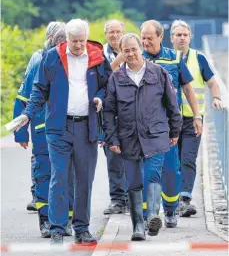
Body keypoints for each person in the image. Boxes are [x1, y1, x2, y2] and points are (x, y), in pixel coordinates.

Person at [14, 19, 112, 244]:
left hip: (87, 127)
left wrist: (100, 98)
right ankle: (57, 228)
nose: (78, 46)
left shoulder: (97, 56)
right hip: (59, 127)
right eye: (74, 41)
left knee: (84, 180)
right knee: (59, 178)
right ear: (66, 39)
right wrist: (28, 114)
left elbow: (108, 85)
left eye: (82, 41)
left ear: (86, 38)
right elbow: (39, 89)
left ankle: (82, 228)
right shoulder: (52, 57)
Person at [103, 33, 182, 241]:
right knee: (133, 182)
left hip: (156, 134)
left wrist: (175, 131)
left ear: (141, 48)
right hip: (127, 136)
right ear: (121, 53)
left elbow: (172, 104)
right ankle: (138, 225)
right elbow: (109, 111)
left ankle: (153, 216)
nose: (130, 53)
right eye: (126, 50)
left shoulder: (158, 73)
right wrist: (112, 138)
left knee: (152, 175)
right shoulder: (116, 78)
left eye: (133, 49)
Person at [140, 20, 203, 232]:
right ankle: (149, 213)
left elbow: (188, 88)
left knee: (170, 170)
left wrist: (196, 115)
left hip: (168, 126)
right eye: (143, 38)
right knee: (148, 171)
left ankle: (170, 209)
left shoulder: (174, 58)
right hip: (144, 126)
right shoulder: (137, 58)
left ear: (160, 37)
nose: (146, 42)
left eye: (150, 38)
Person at [13, 22, 74, 238]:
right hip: (42, 130)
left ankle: (65, 220)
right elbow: (22, 99)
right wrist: (21, 132)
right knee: (44, 175)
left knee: (68, 175)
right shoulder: (39, 62)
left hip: (70, 129)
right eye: (61, 42)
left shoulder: (76, 63)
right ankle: (46, 220)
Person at [170, 19, 223, 217]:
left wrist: (216, 98)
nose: (182, 38)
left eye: (185, 35)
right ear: (171, 38)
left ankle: (185, 200)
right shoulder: (166, 58)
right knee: (172, 161)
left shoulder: (198, 59)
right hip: (170, 121)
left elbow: (212, 82)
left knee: (188, 159)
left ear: (190, 37)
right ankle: (171, 200)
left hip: (193, 119)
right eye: (178, 35)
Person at [103, 19, 127, 214]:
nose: (115, 36)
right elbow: (103, 78)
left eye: (118, 32)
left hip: (130, 113)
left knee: (133, 157)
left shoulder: (132, 51)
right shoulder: (99, 55)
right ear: (106, 34)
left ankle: (133, 198)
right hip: (108, 113)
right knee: (112, 158)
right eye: (111, 32)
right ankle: (117, 199)